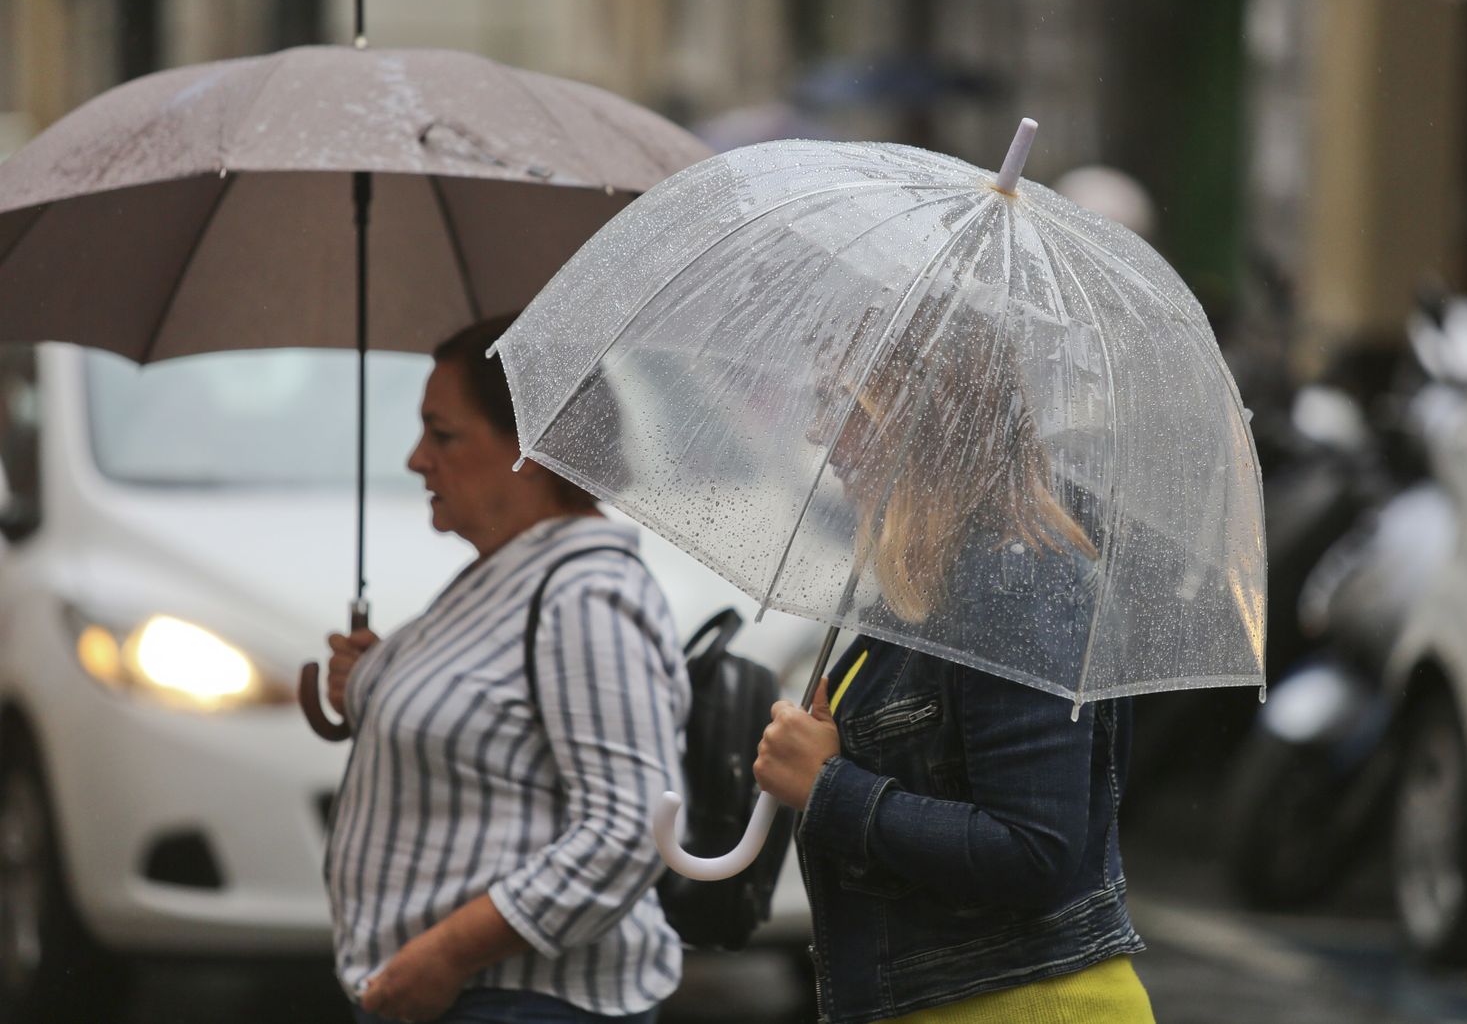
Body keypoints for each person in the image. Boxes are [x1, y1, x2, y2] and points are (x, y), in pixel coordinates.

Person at [753, 296, 1157, 1023]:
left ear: (918, 419)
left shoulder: (1019, 582)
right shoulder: (931, 590)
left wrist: (828, 788)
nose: (818, 433)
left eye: (841, 405)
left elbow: (1035, 851)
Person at [322, 314, 689, 1024]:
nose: (417, 459)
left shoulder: (586, 594)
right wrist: (373, 681)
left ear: (534, 449)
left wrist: (447, 955)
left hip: (521, 1003)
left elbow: (629, 827)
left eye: (444, 433)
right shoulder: (511, 573)